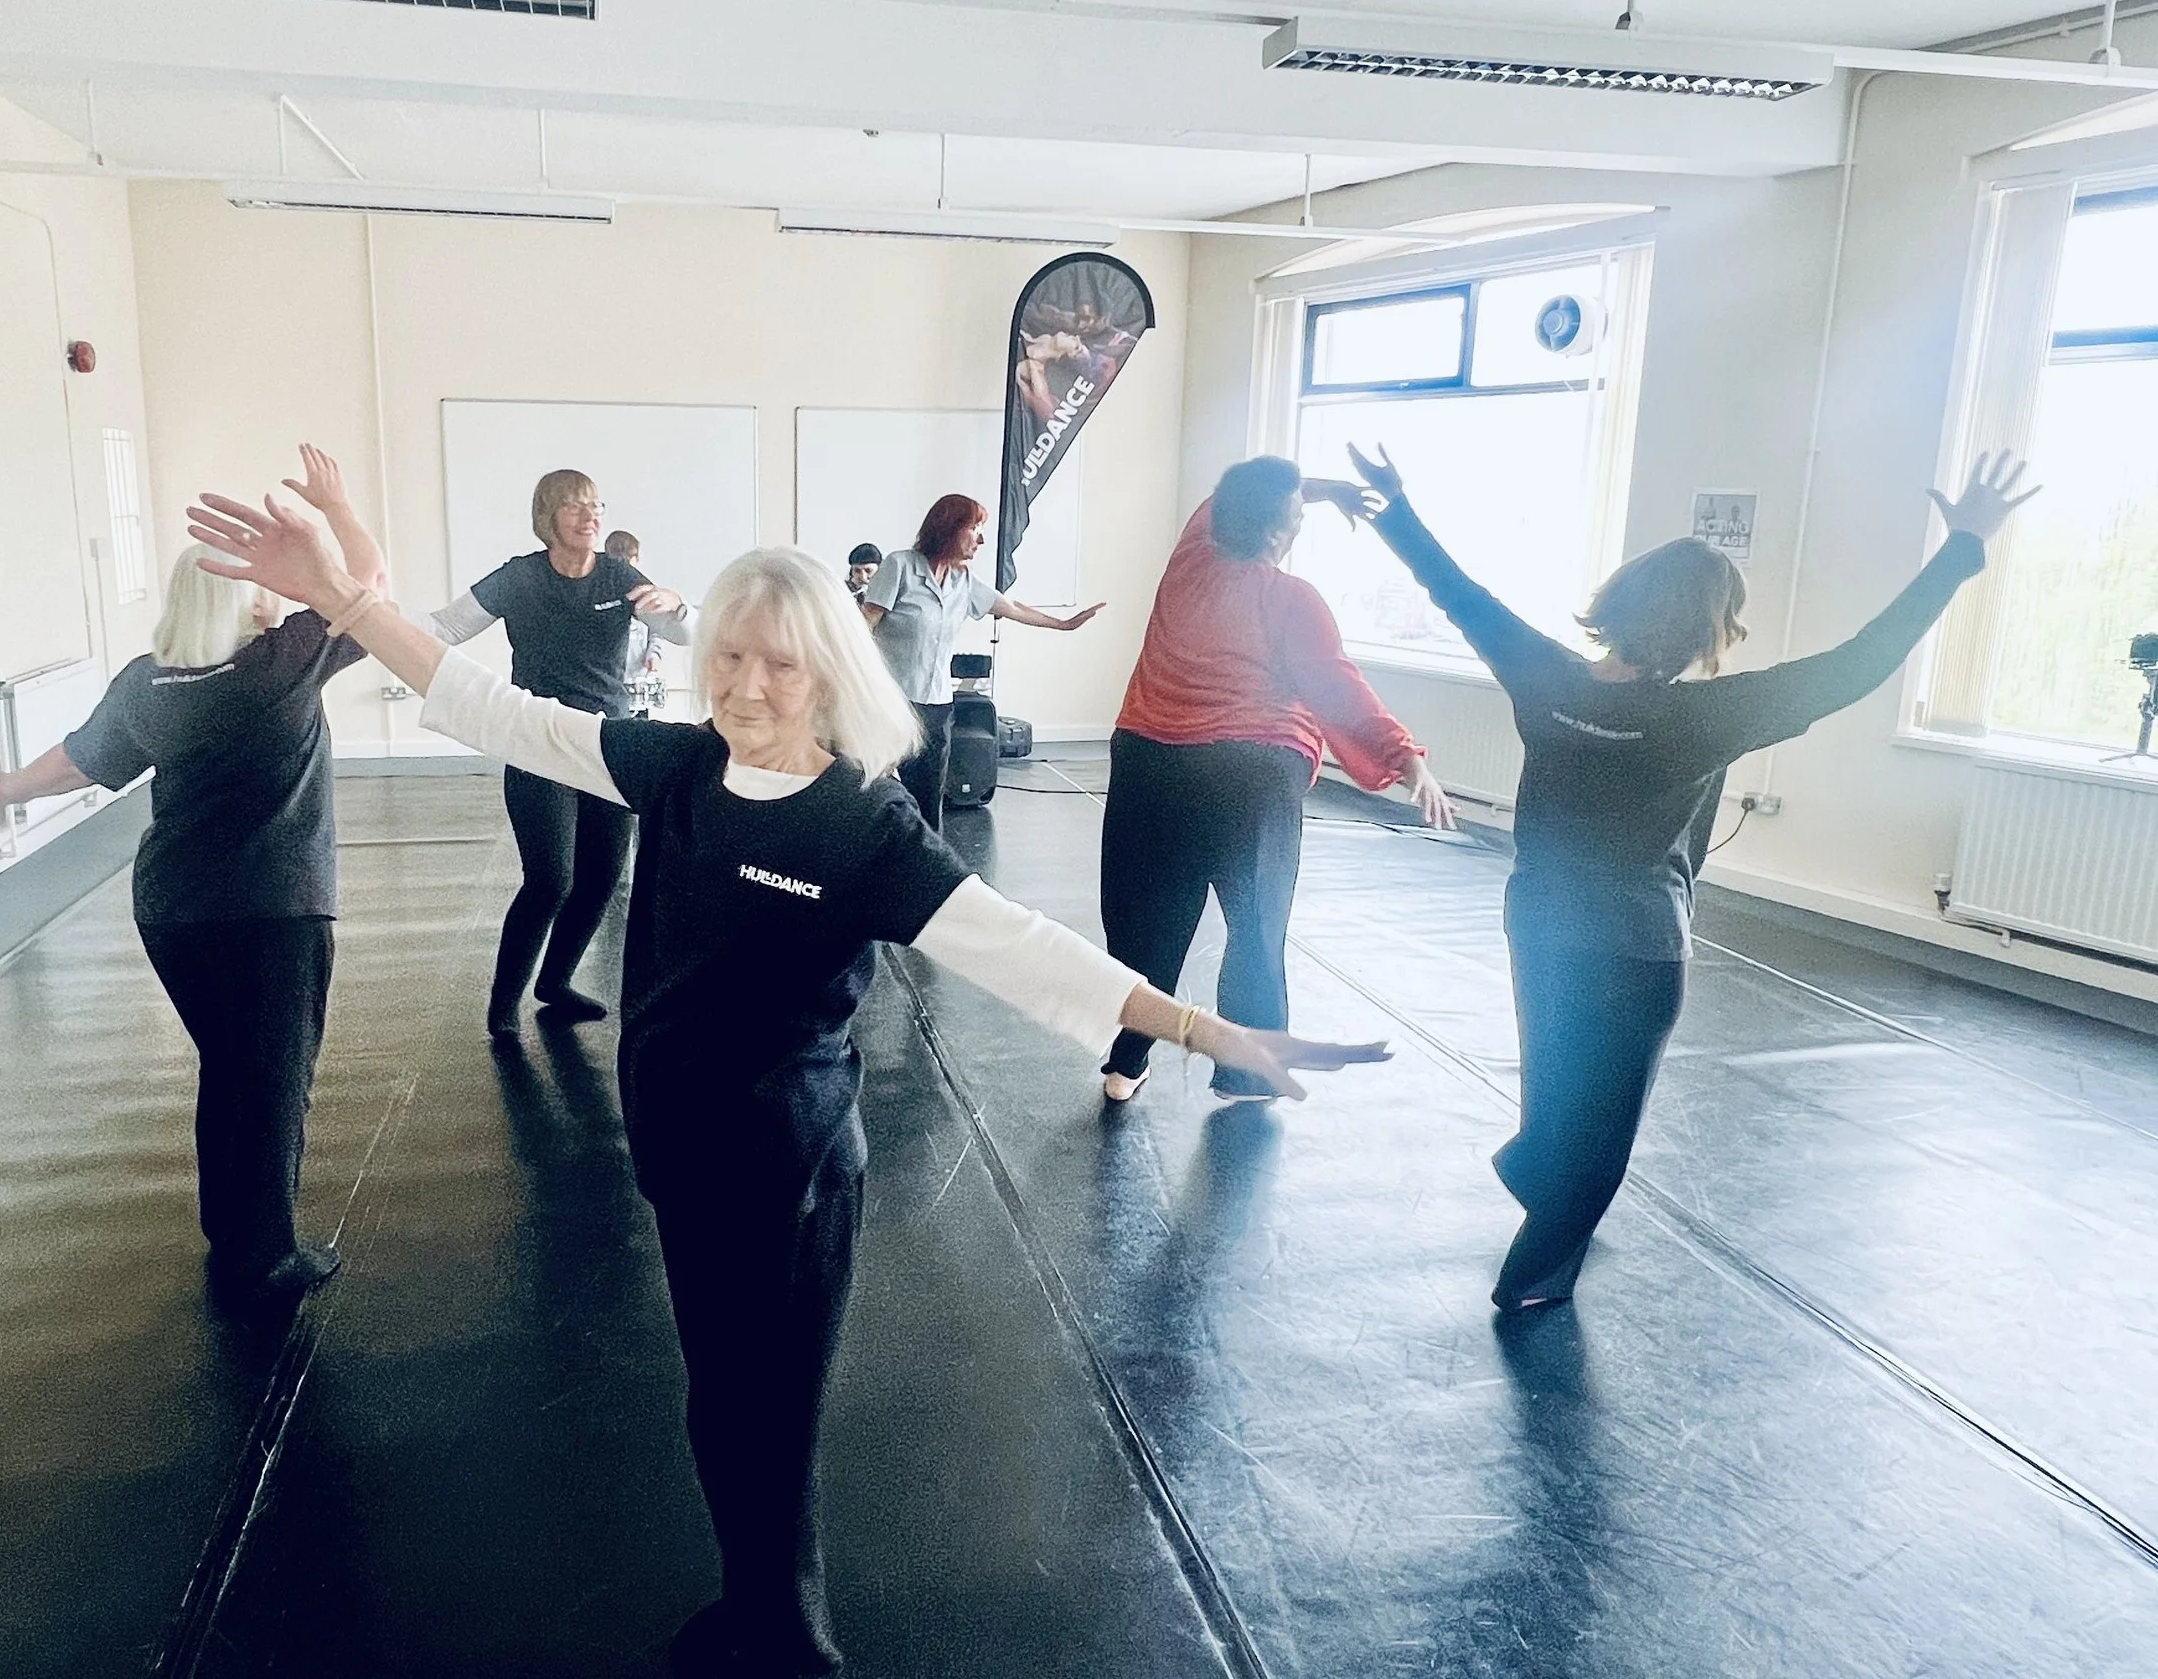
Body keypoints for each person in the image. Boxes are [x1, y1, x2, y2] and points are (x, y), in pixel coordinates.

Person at [184, 482, 1392, 1679]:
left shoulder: (858, 827)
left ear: (830, 675)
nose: (748, 691)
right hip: (680, 1148)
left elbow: (1018, 946)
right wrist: (338, 594)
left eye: (781, 668)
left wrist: (1202, 1028)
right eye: (730, 661)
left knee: (760, 1412)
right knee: (730, 1405)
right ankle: (764, 1607)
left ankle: (789, 1638)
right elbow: (491, 708)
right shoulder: (675, 771)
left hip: (785, 1168)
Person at [1336, 442, 2037, 1313]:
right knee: (1600, 1133)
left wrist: (1397, 509)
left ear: (1619, 603)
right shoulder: (1707, 716)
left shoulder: (1543, 673)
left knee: (1556, 1087)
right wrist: (1963, 547)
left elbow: (1459, 592)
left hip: (1540, 922)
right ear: (1708, 632)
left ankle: (1536, 1175)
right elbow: (1862, 663)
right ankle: (1535, 1276)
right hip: (1635, 948)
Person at [0, 445, 383, 1310]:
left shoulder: (150, 683)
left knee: (230, 1067)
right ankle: (266, 1254)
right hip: (270, 914)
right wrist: (335, 507)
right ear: (249, 594)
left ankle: (233, 1226)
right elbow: (368, 584)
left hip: (173, 913)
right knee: (272, 1081)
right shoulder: (282, 660)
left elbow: (76, 762)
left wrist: (6, 789)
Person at [1098, 456, 1457, 1105]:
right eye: (1295, 516)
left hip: (1151, 764)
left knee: (1146, 931)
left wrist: (1318, 490)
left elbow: (1233, 492)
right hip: (1251, 773)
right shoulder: (1293, 599)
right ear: (1277, 535)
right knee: (1257, 928)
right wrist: (1408, 759)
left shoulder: (1189, 556)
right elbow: (1337, 688)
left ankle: (1126, 1065)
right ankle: (1246, 1069)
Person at [424, 471, 694, 1036]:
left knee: (601, 877)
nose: (590, 516)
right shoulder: (519, 577)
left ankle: (555, 981)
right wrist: (369, 626)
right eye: (575, 506)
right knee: (549, 879)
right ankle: (503, 1006)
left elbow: (684, 634)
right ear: (548, 518)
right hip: (537, 740)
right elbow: (444, 628)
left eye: (595, 505)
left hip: (608, 744)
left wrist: (678, 607)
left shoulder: (621, 575)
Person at [860, 493, 1105, 828]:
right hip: (892, 704)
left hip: (937, 708)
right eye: (974, 528)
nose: (981, 538)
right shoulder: (900, 566)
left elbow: (1013, 608)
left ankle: (926, 870)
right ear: (948, 528)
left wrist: (1063, 624)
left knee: (928, 802)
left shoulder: (964, 582)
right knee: (879, 792)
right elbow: (864, 627)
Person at [609, 530, 669, 715]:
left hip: (638, 684)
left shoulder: (645, 591)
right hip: (609, 687)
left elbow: (657, 630)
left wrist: (653, 654)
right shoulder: (602, 593)